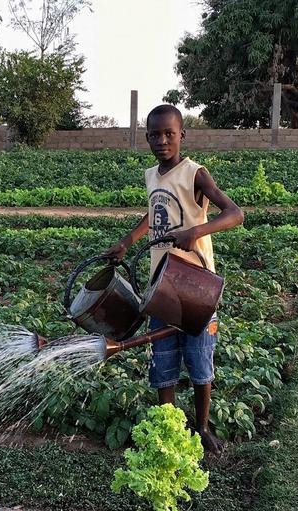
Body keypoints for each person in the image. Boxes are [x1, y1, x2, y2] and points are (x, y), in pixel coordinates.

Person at [104, 104, 244, 456]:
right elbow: (154, 213)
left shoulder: (195, 174)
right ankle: (168, 423)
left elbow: (235, 214)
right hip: (161, 285)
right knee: (163, 358)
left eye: (169, 133)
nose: (162, 140)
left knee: (199, 360)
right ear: (146, 137)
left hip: (196, 285)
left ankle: (201, 427)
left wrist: (196, 231)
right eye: (154, 134)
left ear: (183, 135)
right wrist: (127, 241)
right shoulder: (152, 175)